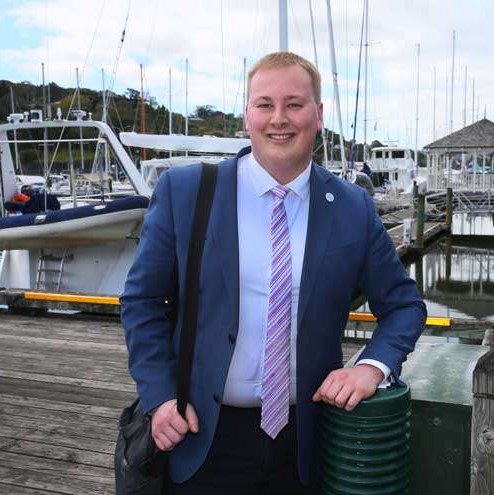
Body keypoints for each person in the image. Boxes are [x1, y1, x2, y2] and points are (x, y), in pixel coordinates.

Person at [120, 51, 426, 494]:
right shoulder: (186, 193)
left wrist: (372, 368)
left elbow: (403, 307)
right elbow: (142, 302)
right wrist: (160, 397)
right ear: (247, 114)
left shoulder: (353, 209)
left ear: (318, 115)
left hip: (306, 443)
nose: (278, 119)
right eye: (265, 104)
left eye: (294, 104)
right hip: (201, 434)